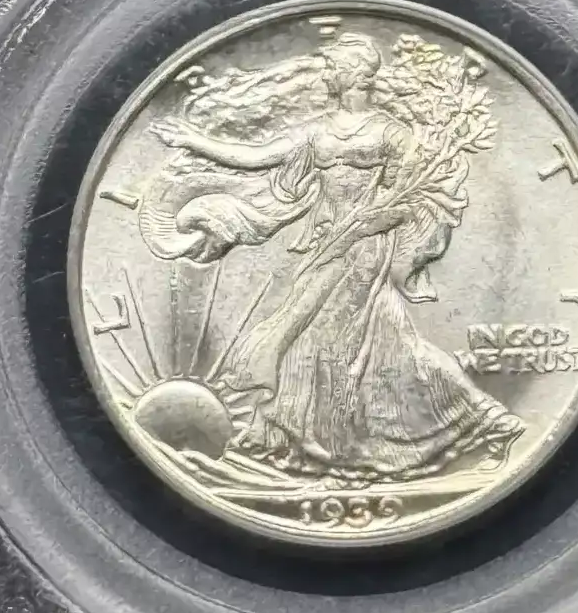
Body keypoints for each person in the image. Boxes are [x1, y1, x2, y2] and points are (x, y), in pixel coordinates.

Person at [148, 33, 523, 481]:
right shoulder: (318, 131)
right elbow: (257, 157)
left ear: (352, 74)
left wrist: (367, 226)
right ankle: (327, 446)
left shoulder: (391, 133)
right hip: (327, 244)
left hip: (365, 249)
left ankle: (457, 424)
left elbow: (412, 198)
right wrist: (195, 141)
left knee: (323, 336)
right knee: (351, 342)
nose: (325, 75)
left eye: (331, 68)